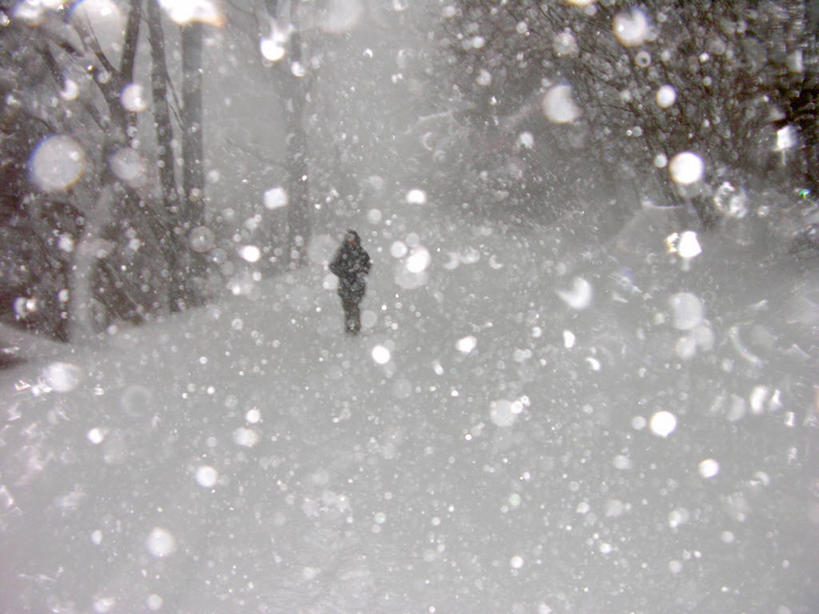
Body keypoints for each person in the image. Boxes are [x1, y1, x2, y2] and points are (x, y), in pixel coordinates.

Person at [329, 230, 371, 334]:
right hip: (345, 285)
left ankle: (355, 327)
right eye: (349, 238)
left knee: (355, 306)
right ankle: (349, 327)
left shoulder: (361, 252)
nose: (351, 241)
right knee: (347, 307)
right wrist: (344, 272)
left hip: (357, 285)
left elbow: (367, 266)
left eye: (352, 238)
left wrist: (359, 272)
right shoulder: (342, 252)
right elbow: (333, 266)